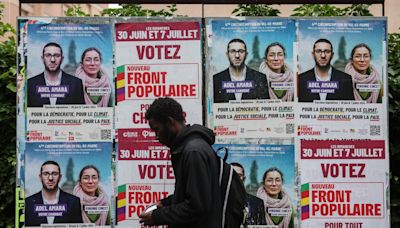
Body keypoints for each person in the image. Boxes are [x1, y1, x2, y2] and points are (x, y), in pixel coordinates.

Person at [139, 97, 222, 228]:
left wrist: (157, 216)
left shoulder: (193, 152)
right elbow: (194, 194)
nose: (156, 136)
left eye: (157, 130)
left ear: (170, 122)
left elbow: (197, 206)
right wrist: (166, 203)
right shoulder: (189, 148)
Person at [25, 161, 83, 226]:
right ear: (40, 177)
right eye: (46, 174)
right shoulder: (28, 202)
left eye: (54, 174)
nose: (50, 178)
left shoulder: (74, 202)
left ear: (60, 177)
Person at [27, 42, 85, 107]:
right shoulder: (29, 84)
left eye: (57, 56)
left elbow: (80, 113)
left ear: (62, 59)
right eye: (48, 55)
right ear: (42, 59)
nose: (52, 60)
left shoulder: (76, 83)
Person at [213, 38, 269, 103]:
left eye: (241, 51)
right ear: (227, 55)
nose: (237, 56)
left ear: (246, 55)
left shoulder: (260, 78)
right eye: (233, 51)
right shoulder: (216, 79)